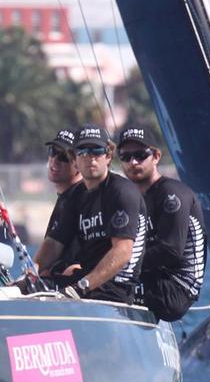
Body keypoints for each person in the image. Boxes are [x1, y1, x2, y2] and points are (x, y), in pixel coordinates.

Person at [34, 124, 146, 304]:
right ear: (75, 159)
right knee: (30, 289)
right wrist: (30, 274)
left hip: (114, 289)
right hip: (83, 282)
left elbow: (123, 250)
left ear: (108, 156)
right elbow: (54, 243)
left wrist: (81, 286)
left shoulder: (122, 191)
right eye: (82, 151)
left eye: (96, 151)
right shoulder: (75, 196)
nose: (89, 158)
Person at [117, 125, 206, 321]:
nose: (133, 162)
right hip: (152, 280)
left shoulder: (170, 193)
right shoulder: (134, 198)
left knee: (103, 286)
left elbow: (170, 250)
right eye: (125, 157)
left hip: (177, 289)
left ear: (156, 156)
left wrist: (119, 265)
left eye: (140, 155)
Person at [33, 128, 83, 277]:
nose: (54, 160)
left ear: (78, 164)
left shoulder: (80, 197)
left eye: (64, 157)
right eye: (52, 152)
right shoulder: (65, 197)